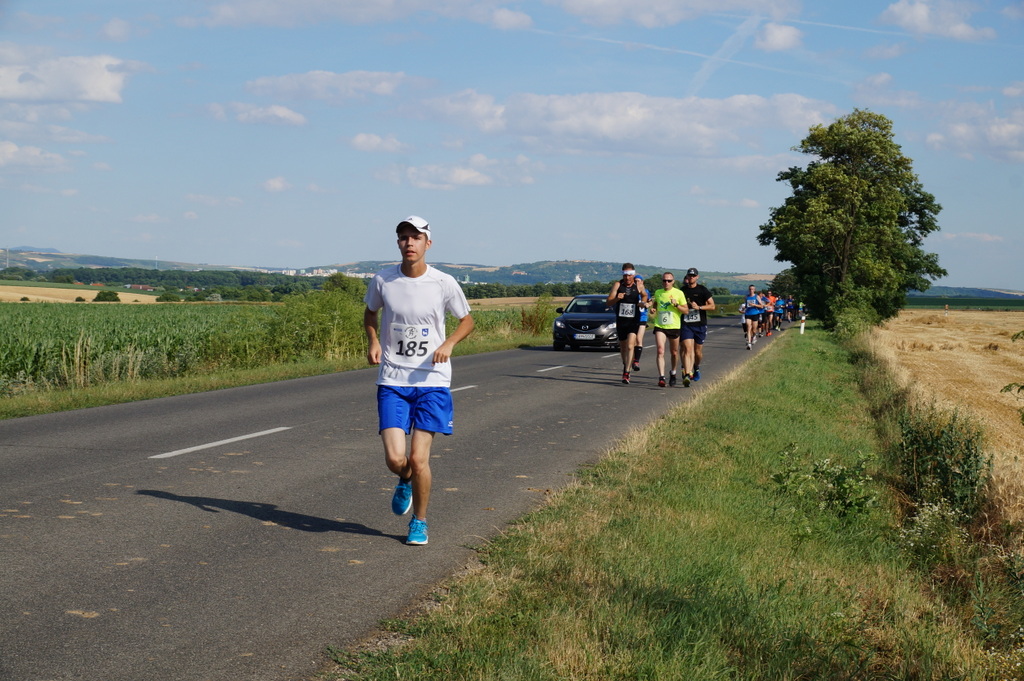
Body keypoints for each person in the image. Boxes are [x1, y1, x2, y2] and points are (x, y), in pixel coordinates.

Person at [364, 215, 475, 546]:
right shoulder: (383, 280)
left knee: (419, 458)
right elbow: (371, 313)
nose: (409, 242)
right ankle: (405, 479)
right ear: (397, 242)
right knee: (397, 460)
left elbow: (466, 321)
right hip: (393, 379)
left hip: (432, 381)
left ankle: (420, 522)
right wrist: (373, 341)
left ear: (428, 243)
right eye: (403, 237)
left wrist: (449, 343)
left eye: (415, 237)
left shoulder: (443, 282)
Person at [606, 264, 647, 384]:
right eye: (625, 275)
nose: (627, 277)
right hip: (621, 320)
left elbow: (644, 295)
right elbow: (609, 302)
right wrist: (617, 299)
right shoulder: (618, 285)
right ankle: (626, 364)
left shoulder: (638, 285)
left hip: (634, 320)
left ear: (633, 274)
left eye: (629, 275)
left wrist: (642, 302)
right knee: (623, 346)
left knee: (630, 345)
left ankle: (626, 372)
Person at [679, 267, 715, 386]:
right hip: (686, 324)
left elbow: (712, 306)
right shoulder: (682, 291)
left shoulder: (703, 290)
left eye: (693, 276)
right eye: (689, 276)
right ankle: (687, 374)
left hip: (700, 325)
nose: (691, 278)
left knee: (698, 352)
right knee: (687, 349)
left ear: (697, 277)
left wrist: (699, 307)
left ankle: (696, 367)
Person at [650, 271, 687, 387]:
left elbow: (686, 310)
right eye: (664, 280)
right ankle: (661, 377)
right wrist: (654, 309)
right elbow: (656, 303)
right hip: (660, 325)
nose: (666, 282)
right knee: (660, 350)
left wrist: (676, 305)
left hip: (674, 326)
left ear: (673, 282)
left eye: (669, 280)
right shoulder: (658, 292)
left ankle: (673, 372)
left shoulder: (679, 293)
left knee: (674, 352)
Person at [631, 274, 648, 372]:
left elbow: (649, 301)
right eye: (635, 281)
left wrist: (647, 304)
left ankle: (636, 360)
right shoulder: (631, 291)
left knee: (638, 339)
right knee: (631, 341)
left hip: (642, 317)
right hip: (632, 318)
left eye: (639, 281)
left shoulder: (646, 292)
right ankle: (632, 358)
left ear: (642, 282)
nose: (637, 282)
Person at [743, 284, 763, 350]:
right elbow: (746, 305)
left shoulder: (757, 297)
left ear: (754, 290)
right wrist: (743, 308)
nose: (751, 290)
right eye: (750, 289)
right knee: (748, 327)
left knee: (754, 330)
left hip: (755, 313)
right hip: (748, 313)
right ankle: (749, 343)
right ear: (748, 290)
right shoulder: (746, 297)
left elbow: (761, 306)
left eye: (752, 289)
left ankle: (754, 336)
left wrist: (754, 304)